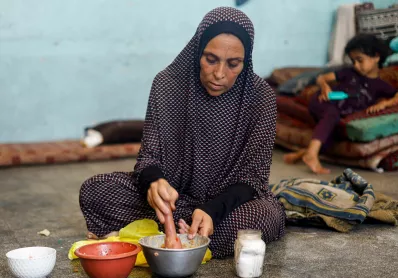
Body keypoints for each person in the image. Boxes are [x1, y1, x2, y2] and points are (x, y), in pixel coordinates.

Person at [79, 7, 285, 258]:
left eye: (233, 64)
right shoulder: (167, 84)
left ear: (246, 60)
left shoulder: (261, 97)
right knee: (97, 191)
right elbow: (148, 159)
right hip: (174, 201)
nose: (219, 74)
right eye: (211, 59)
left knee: (263, 217)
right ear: (197, 50)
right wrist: (154, 183)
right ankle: (191, 237)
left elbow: (253, 177)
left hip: (229, 206)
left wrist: (213, 210)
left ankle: (159, 235)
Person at [284, 34, 398, 174]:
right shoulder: (348, 73)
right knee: (332, 115)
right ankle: (311, 156)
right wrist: (325, 86)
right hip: (323, 102)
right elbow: (322, 78)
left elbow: (397, 94)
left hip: (338, 114)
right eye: (353, 61)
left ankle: (303, 154)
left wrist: (386, 103)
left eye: (360, 60)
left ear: (376, 57)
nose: (356, 65)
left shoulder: (381, 86)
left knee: (331, 137)